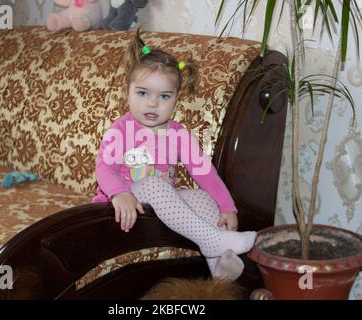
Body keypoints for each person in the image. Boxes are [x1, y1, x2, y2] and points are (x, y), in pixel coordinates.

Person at [92, 28, 256, 280]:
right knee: (155, 184)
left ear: (177, 98)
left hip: (159, 210)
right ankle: (212, 239)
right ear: (127, 90)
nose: (152, 103)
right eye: (143, 93)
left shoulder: (179, 134)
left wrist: (227, 206)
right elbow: (104, 167)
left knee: (202, 197)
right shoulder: (121, 129)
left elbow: (204, 171)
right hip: (120, 207)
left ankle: (218, 266)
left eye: (164, 96)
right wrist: (119, 192)